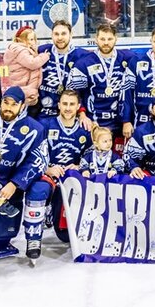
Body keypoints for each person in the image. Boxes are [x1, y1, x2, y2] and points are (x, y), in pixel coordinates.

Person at [0, 87, 51, 262]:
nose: (8, 108)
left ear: (22, 106)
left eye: (13, 105)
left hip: (10, 183)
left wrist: (15, 183)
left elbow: (38, 160)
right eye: (5, 103)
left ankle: (28, 239)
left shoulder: (35, 129)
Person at [40, 89, 93, 243]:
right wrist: (47, 169)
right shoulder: (45, 125)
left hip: (72, 180)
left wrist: (80, 166)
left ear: (78, 106)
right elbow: (34, 153)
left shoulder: (85, 130)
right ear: (58, 105)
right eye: (64, 104)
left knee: (65, 237)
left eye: (72, 104)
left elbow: (90, 156)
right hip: (49, 177)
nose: (68, 108)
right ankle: (45, 213)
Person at [36, 20, 92, 121]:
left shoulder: (82, 55)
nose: (60, 37)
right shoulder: (41, 51)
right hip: (43, 112)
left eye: (64, 33)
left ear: (71, 35)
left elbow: (86, 88)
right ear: (52, 35)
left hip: (70, 113)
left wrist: (82, 112)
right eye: (56, 34)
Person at [3, 26, 51, 111]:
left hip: (25, 86)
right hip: (25, 87)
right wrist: (45, 56)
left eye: (33, 39)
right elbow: (32, 63)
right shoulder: (21, 51)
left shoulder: (22, 50)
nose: (32, 42)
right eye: (30, 39)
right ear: (20, 40)